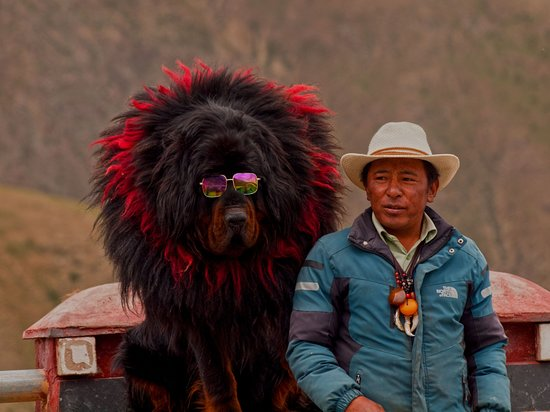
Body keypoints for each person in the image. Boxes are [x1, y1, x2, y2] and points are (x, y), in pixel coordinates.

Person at [286, 122, 510, 412]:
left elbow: (487, 348)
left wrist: (493, 408)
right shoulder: (331, 256)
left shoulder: (465, 258)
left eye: (407, 179)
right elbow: (306, 346)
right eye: (381, 178)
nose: (393, 191)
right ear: (367, 188)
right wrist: (349, 401)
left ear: (432, 189)